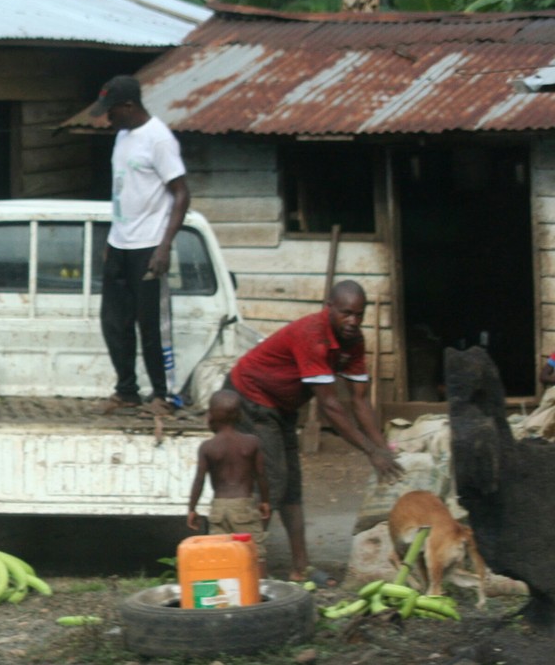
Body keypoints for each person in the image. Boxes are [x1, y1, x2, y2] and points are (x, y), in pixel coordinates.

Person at [224, 280, 403, 582]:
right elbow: (331, 407)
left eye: (359, 314)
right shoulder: (313, 335)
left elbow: (359, 401)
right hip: (250, 399)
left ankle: (300, 569)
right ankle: (244, 569)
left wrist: (382, 448)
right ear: (329, 308)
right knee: (273, 482)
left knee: (292, 489)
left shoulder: (353, 342)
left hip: (282, 409)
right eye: (346, 313)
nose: (353, 321)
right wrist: (370, 452)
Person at [89, 74, 191, 417]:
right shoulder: (121, 137)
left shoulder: (159, 139)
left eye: (112, 110)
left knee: (151, 325)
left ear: (129, 106)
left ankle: (163, 394)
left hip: (149, 245)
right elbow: (123, 191)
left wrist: (164, 247)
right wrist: (112, 238)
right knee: (114, 322)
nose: (108, 117)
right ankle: (127, 390)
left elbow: (181, 194)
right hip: (120, 244)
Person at [187, 389, 271, 570]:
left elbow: (199, 480)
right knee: (255, 553)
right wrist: (265, 501)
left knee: (219, 554)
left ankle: (224, 595)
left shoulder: (207, 447)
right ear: (240, 415)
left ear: (211, 415)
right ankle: (258, 592)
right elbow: (261, 475)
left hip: (218, 508)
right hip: (244, 506)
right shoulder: (252, 442)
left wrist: (192, 508)